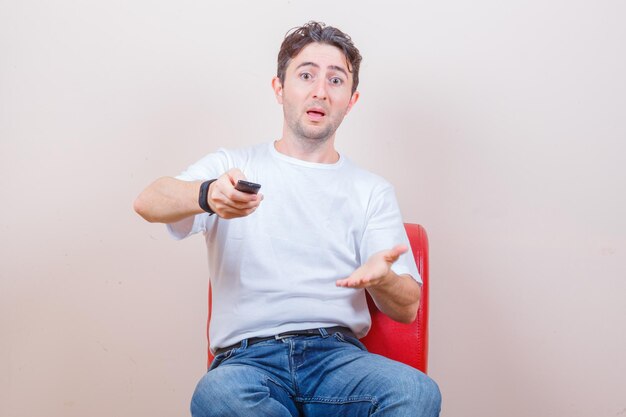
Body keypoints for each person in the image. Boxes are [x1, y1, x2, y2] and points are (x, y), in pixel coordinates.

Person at [134, 21, 441, 417]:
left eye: (336, 80)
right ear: (280, 88)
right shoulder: (233, 166)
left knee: (415, 393)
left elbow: (406, 309)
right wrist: (206, 194)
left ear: (352, 99)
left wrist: (383, 280)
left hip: (338, 360)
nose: (320, 91)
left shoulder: (371, 190)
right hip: (247, 363)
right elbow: (148, 201)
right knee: (216, 394)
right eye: (307, 75)